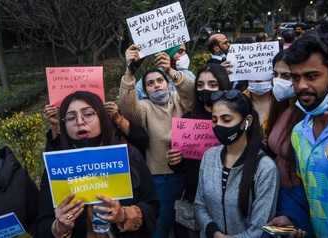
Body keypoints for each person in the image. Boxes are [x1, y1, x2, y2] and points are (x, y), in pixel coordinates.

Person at [37, 91, 159, 238]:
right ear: (64, 125)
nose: (80, 121)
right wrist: (58, 227)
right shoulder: (57, 167)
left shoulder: (128, 155)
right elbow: (42, 224)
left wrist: (124, 214)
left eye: (88, 114)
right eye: (71, 117)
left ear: (102, 118)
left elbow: (153, 206)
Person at [119, 44, 194, 238]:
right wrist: (129, 72)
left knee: (185, 224)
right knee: (162, 223)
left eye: (160, 80)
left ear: (167, 83)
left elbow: (192, 92)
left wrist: (171, 70)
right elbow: (127, 107)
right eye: (150, 83)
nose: (156, 85)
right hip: (160, 177)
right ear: (145, 90)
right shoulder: (144, 107)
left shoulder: (179, 100)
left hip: (187, 173)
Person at [285, 32, 328, 237]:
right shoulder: (298, 132)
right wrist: (291, 217)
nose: (301, 86)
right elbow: (308, 190)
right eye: (295, 77)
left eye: (312, 76)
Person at [195, 90, 279, 238]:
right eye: (214, 120)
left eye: (226, 119)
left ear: (246, 122)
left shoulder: (265, 168)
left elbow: (260, 226)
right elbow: (200, 205)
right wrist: (213, 232)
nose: (218, 126)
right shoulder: (209, 157)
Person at [168, 64, 231, 238]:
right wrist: (175, 160)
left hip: (229, 200)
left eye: (212, 84)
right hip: (195, 195)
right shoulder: (188, 120)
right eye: (201, 85)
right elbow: (180, 166)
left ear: (223, 85)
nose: (206, 89)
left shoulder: (234, 119)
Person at [266, 52, 313, 236]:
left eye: (286, 76)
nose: (279, 81)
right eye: (275, 74)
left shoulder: (308, 116)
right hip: (279, 191)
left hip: (299, 197)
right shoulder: (282, 107)